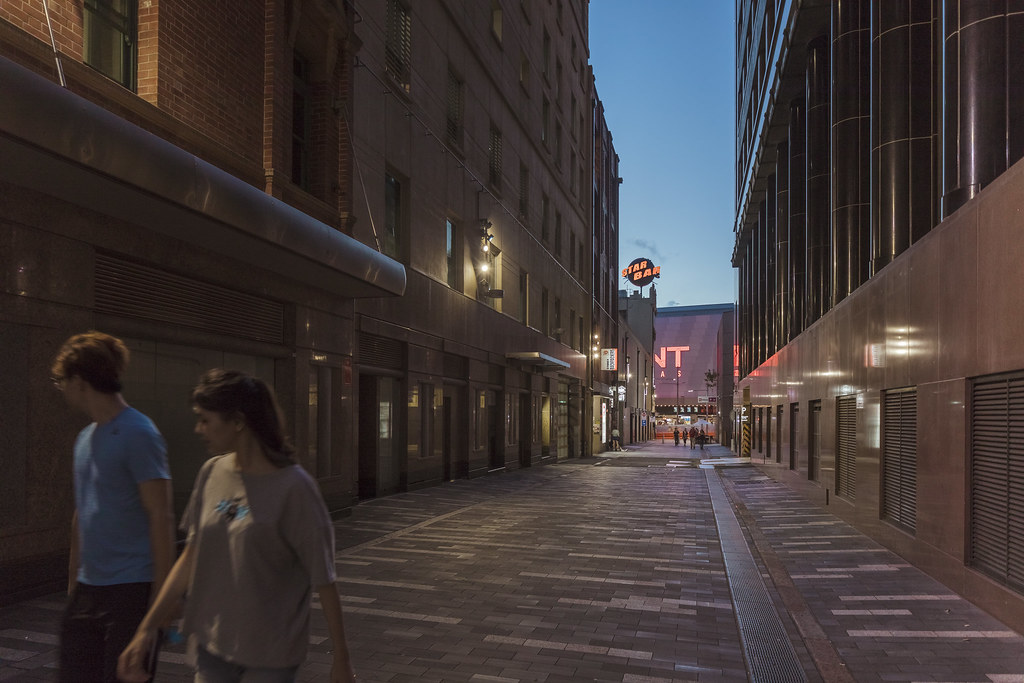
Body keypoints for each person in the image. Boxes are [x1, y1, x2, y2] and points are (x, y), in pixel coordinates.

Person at [118, 369, 355, 683]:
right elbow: (190, 557)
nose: (198, 428)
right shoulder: (211, 472)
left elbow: (324, 578)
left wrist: (341, 659)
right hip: (212, 646)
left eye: (205, 419)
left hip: (271, 654)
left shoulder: (295, 488)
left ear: (239, 421)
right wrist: (146, 627)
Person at [52, 331, 175, 683]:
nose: (60, 388)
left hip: (132, 591)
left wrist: (160, 601)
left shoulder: (140, 433)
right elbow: (83, 513)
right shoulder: (84, 439)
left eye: (62, 380)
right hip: (88, 591)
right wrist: (74, 586)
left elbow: (161, 515)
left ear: (79, 381)